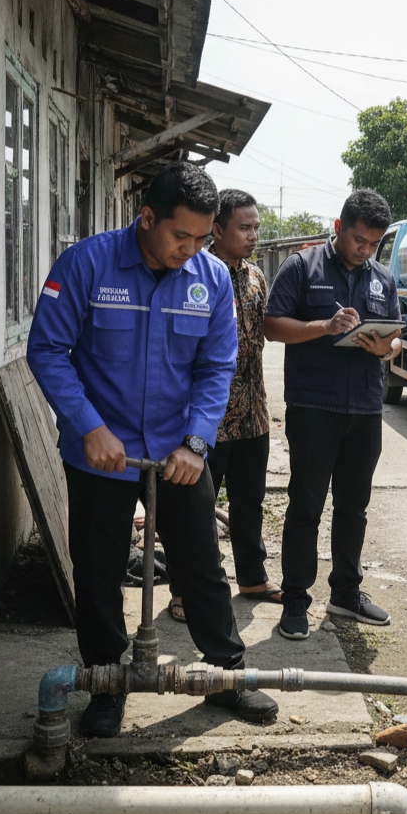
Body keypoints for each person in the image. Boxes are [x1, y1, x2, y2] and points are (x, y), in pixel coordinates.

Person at [27, 163, 278, 737]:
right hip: (101, 454)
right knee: (98, 573)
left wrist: (196, 441)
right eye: (180, 236)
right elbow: (47, 350)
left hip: (177, 453)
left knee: (201, 565)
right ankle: (106, 683)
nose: (190, 251)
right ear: (147, 218)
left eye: (202, 239)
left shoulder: (210, 279)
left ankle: (227, 673)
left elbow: (216, 366)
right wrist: (88, 426)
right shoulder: (86, 264)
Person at [264, 189, 403, 640]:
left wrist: (385, 348)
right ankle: (295, 599)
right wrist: (324, 327)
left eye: (374, 243)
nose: (366, 250)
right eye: (359, 240)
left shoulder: (382, 278)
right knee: (306, 505)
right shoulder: (302, 267)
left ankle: (345, 592)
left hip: (365, 408)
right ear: (339, 227)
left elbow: (395, 337)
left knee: (354, 507)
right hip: (313, 406)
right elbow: (272, 325)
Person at [168, 189, 280, 621]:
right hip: (207, 419)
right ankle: (186, 590)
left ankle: (252, 576)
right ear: (217, 229)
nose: (253, 236)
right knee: (193, 510)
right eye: (244, 227)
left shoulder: (256, 278)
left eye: (256, 227)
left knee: (249, 502)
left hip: (253, 414)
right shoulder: (192, 275)